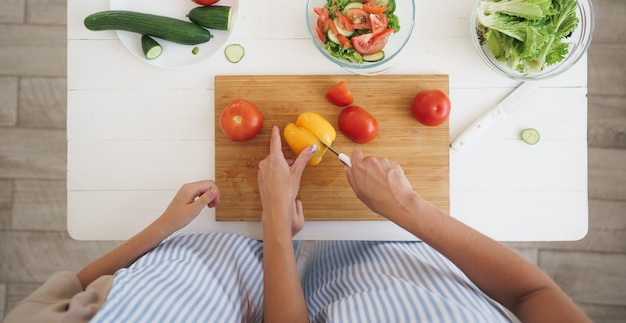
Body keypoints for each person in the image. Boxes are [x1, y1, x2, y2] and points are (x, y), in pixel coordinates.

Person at [3, 125, 591, 323]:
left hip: (220, 248)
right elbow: (533, 290)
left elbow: (73, 290)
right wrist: (411, 212)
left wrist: (164, 229)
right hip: (417, 242)